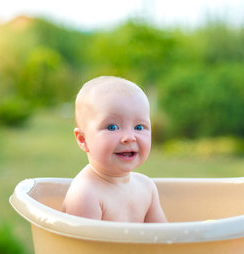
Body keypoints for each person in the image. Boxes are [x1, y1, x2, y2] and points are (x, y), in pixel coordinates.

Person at [62, 76, 167, 223]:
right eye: (112, 127)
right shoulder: (86, 194)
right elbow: (85, 246)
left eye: (139, 127)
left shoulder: (146, 187)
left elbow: (165, 238)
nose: (130, 137)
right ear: (82, 139)